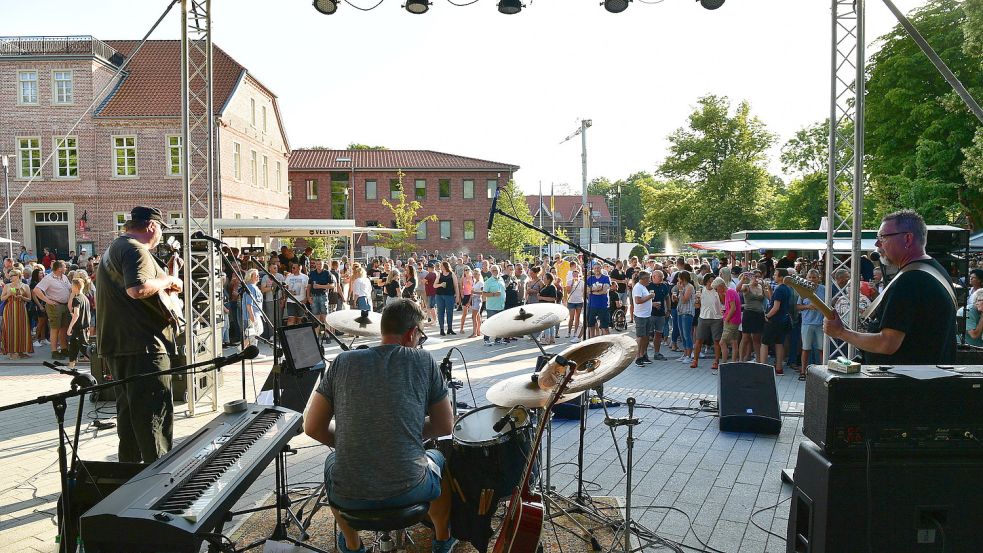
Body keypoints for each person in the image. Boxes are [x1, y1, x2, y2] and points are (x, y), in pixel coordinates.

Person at [303, 299, 455, 553]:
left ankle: (352, 545)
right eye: (421, 335)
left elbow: (313, 427)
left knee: (333, 465)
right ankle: (442, 538)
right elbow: (444, 425)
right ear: (412, 333)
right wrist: (403, 434)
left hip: (350, 494)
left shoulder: (342, 362)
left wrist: (358, 439)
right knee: (438, 458)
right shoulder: (423, 361)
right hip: (410, 487)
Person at [97, 206, 181, 463]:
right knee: (154, 420)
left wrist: (167, 278)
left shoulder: (115, 248)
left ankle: (130, 480)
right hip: (144, 349)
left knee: (131, 422)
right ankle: (158, 487)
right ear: (152, 227)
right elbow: (137, 289)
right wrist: (167, 281)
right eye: (160, 231)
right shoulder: (136, 249)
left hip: (120, 347)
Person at [824, 209, 957, 364]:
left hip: (908, 384)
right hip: (930, 381)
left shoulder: (910, 280)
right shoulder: (935, 270)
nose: (877, 244)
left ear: (907, 238)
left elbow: (887, 343)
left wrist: (841, 332)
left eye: (883, 237)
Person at [34, 260, 73, 358]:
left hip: (64, 305)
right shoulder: (48, 278)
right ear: (59, 269)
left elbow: (69, 288)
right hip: (54, 306)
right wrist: (48, 301)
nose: (66, 268)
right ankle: (54, 351)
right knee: (55, 328)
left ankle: (64, 349)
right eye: (64, 267)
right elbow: (36, 290)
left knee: (64, 328)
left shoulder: (64, 277)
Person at [762, 269, 794, 375]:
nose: (774, 276)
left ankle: (763, 367)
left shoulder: (780, 289)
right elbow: (774, 301)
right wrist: (770, 291)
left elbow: (775, 307)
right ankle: (779, 368)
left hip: (774, 320)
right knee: (779, 343)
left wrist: (767, 315)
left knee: (764, 343)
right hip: (783, 320)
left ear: (781, 277)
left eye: (775, 275)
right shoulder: (787, 289)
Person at [797, 269, 826, 380]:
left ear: (819, 278)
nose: (812, 280)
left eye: (814, 277)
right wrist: (808, 307)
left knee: (822, 348)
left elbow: (830, 304)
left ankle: (824, 371)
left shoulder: (824, 289)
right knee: (806, 348)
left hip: (821, 323)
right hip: (807, 323)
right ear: (806, 278)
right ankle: (803, 372)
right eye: (810, 277)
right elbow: (797, 306)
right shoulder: (803, 290)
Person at [691, 275, 724, 371]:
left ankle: (716, 361)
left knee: (716, 341)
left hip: (716, 318)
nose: (711, 283)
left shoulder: (717, 291)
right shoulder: (701, 291)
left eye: (713, 281)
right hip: (703, 317)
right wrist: (697, 301)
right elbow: (697, 306)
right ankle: (695, 360)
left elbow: (723, 302)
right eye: (709, 281)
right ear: (705, 282)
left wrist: (720, 293)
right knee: (699, 340)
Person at [1, 269, 34, 359]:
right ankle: (11, 351)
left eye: (12, 275)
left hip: (21, 309)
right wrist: (8, 294)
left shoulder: (25, 286)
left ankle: (21, 351)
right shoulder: (7, 286)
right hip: (9, 309)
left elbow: (29, 299)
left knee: (22, 330)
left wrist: (22, 297)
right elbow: (2, 298)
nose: (10, 277)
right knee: (10, 329)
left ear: (18, 276)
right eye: (10, 275)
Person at [739, 270, 766, 362]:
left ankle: (758, 360)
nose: (757, 278)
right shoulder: (746, 287)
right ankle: (741, 360)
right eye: (755, 276)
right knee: (745, 337)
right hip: (749, 313)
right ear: (751, 277)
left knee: (757, 338)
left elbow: (770, 297)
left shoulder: (761, 287)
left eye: (758, 277)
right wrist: (742, 279)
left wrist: (766, 287)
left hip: (759, 314)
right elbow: (737, 290)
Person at [64, 277, 91, 368]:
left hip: (80, 327)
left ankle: (98, 361)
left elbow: (76, 314)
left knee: (84, 347)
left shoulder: (77, 299)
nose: (71, 287)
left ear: (75, 287)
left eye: (72, 285)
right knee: (73, 345)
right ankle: (71, 364)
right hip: (84, 326)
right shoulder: (85, 298)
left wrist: (70, 327)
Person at [632, 271, 655, 366]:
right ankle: (638, 357)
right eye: (648, 278)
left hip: (646, 315)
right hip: (640, 316)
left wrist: (652, 303)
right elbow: (637, 301)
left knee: (646, 337)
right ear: (643, 279)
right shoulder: (638, 287)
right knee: (640, 337)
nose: (649, 280)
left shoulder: (643, 287)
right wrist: (650, 296)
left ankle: (643, 354)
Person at [647, 270, 671, 361]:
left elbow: (667, 297)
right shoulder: (648, 286)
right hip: (650, 314)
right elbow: (642, 299)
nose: (662, 278)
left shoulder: (664, 286)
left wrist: (668, 309)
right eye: (660, 276)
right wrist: (652, 304)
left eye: (662, 276)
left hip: (661, 314)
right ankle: (644, 354)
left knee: (658, 333)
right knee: (647, 334)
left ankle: (657, 353)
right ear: (653, 277)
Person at [674, 270, 696, 363]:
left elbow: (684, 300)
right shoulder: (683, 287)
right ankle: (685, 353)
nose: (678, 279)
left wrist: (680, 290)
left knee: (687, 334)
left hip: (687, 313)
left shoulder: (689, 287)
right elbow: (680, 300)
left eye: (679, 277)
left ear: (683, 278)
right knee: (682, 335)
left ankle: (689, 355)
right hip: (680, 312)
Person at [720, 275, 742, 363]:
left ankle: (724, 364)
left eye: (717, 289)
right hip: (735, 320)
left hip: (731, 321)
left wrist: (726, 319)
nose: (717, 291)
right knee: (734, 342)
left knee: (722, 342)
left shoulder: (729, 292)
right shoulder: (731, 291)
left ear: (720, 286)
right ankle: (733, 363)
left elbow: (733, 308)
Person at [482, 265, 506, 346]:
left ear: (499, 270)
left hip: (501, 305)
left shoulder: (501, 279)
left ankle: (498, 339)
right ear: (491, 272)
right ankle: (486, 339)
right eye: (493, 271)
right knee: (490, 323)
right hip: (492, 307)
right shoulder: (488, 282)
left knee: (500, 324)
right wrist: (494, 294)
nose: (495, 272)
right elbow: (484, 294)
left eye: (496, 270)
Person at [586, 264, 611, 338]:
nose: (596, 269)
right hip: (591, 305)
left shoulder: (606, 278)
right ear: (593, 269)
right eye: (595, 268)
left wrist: (592, 291)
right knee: (591, 326)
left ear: (601, 268)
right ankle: (591, 343)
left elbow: (604, 291)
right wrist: (597, 289)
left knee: (604, 327)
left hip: (603, 305)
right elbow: (586, 290)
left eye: (598, 268)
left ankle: (607, 343)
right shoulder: (590, 278)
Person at [241, 268, 264, 348]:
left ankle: (251, 350)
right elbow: (248, 304)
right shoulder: (251, 287)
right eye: (256, 275)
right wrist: (252, 317)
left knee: (257, 331)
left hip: (256, 313)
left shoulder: (254, 287)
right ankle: (244, 347)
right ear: (251, 277)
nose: (258, 277)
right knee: (255, 332)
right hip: (253, 314)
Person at [434, 261, 458, 336]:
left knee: (449, 312)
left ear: (445, 266)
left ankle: (449, 329)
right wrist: (440, 284)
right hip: (439, 295)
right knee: (440, 312)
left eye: (442, 265)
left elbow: (456, 286)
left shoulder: (452, 274)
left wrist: (457, 296)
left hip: (449, 295)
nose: (440, 267)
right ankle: (441, 329)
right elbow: (434, 285)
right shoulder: (439, 275)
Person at [538, 273, 561, 345]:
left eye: (544, 278)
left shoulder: (551, 287)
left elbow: (553, 298)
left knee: (547, 323)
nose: (543, 280)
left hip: (549, 307)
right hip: (544, 307)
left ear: (548, 279)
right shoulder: (545, 286)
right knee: (550, 324)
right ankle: (551, 339)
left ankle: (547, 339)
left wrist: (541, 298)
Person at [566, 268, 584, 342]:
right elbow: (568, 292)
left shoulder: (582, 282)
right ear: (572, 275)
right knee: (571, 317)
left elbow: (583, 292)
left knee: (577, 317)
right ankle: (569, 332)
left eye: (577, 274)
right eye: (574, 274)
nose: (575, 276)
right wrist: (572, 284)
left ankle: (575, 332)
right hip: (571, 301)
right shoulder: (569, 282)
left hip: (579, 301)